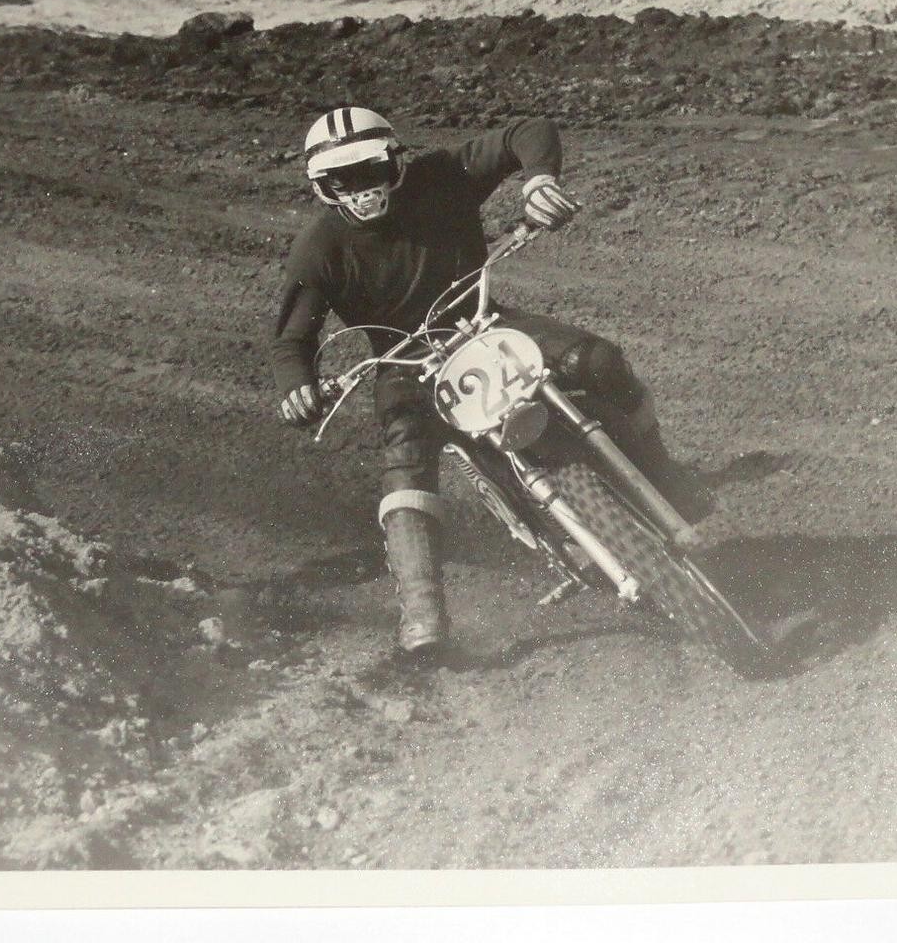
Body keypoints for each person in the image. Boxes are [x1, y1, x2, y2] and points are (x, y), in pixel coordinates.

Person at [272, 106, 706, 655]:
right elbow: (293, 339)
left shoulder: (438, 177)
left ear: (396, 162)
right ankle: (422, 612)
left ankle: (663, 476)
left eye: (370, 171)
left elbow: (528, 130)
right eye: (342, 180)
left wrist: (539, 179)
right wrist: (299, 385)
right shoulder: (320, 246)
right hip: (402, 363)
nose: (360, 191)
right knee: (406, 458)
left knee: (598, 360)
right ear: (321, 187)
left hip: (482, 321)